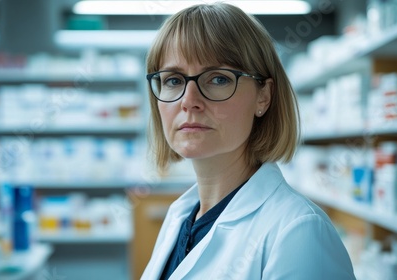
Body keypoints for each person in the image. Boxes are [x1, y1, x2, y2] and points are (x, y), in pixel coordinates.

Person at [142, 3, 356, 280]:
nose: (188, 101)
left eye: (218, 78)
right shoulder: (180, 218)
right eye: (172, 80)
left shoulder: (298, 232)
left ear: (263, 96)